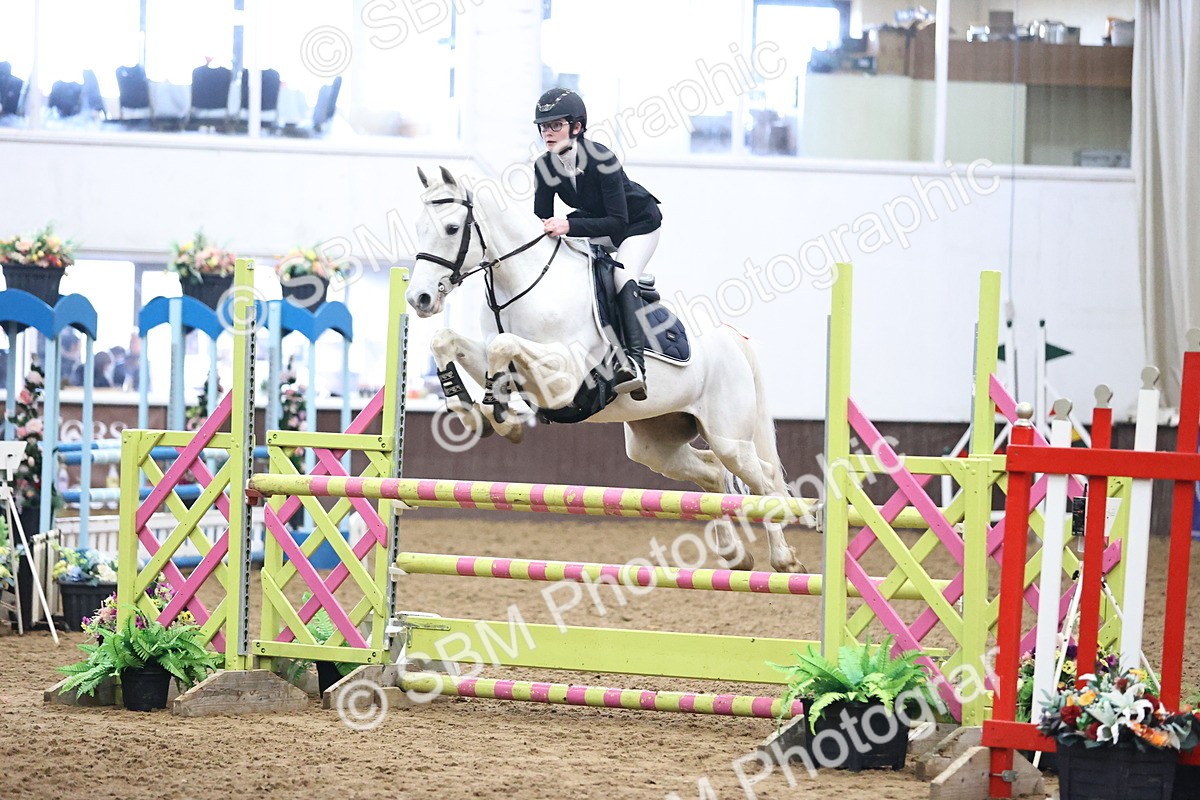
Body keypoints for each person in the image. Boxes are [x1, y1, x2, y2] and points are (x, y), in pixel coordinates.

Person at [533, 88, 662, 401]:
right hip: (593, 222)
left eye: (555, 125)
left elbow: (617, 221)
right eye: (543, 126)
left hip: (637, 224)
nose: (547, 133)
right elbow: (542, 219)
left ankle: (635, 364)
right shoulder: (544, 166)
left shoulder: (602, 159)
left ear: (577, 127)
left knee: (621, 275)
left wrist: (568, 225)